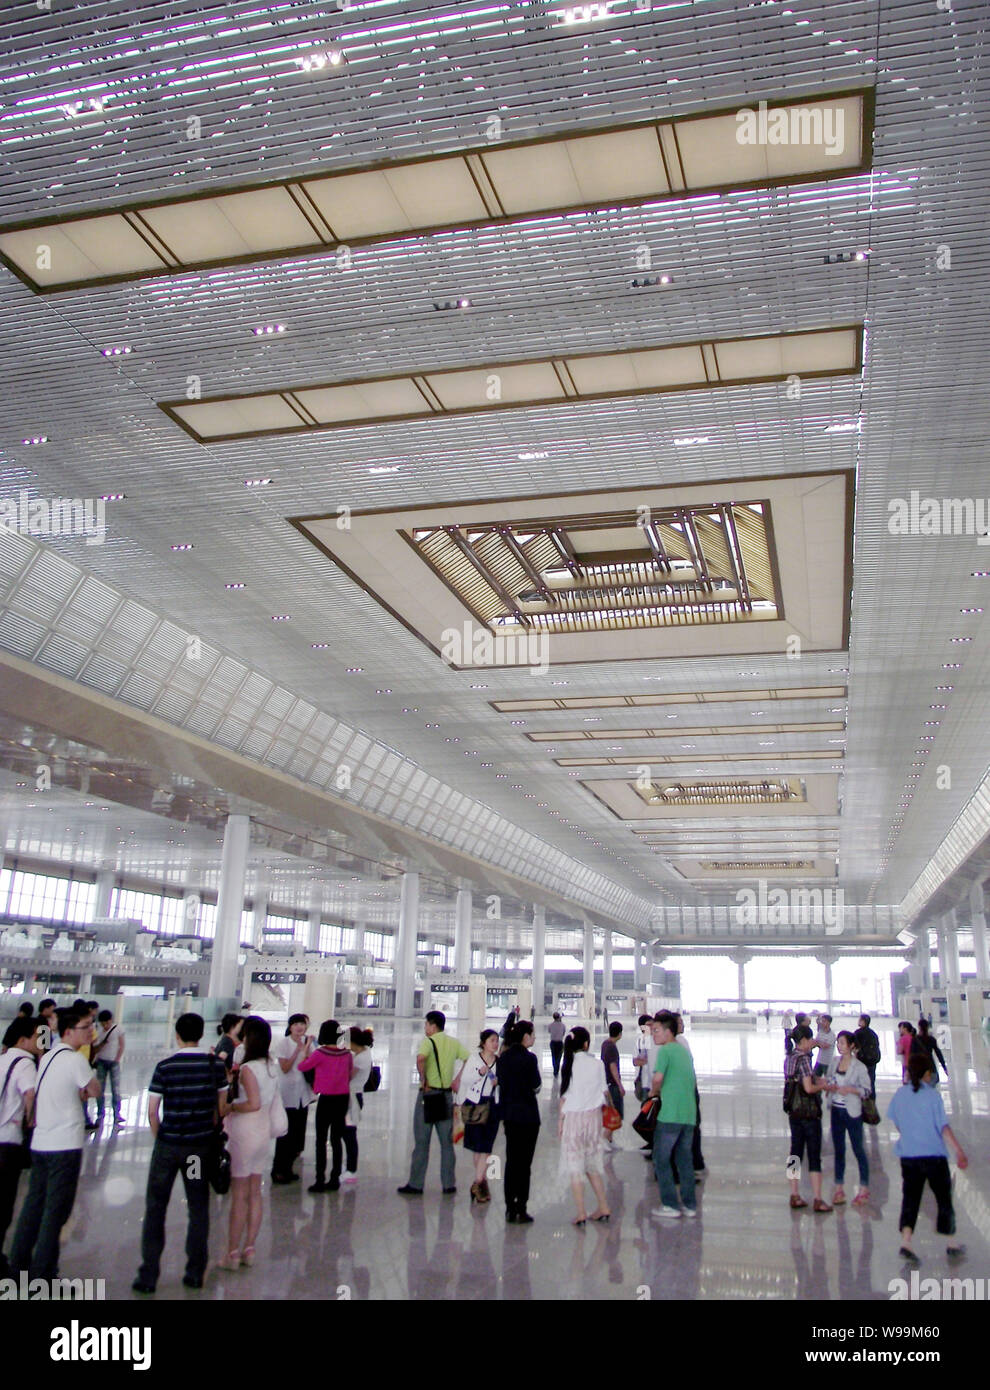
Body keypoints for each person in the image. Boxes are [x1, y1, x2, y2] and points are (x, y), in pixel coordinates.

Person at [131, 1011, 228, 1294]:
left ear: (177, 1035)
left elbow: (152, 1113)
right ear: (201, 1034)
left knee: (155, 1207)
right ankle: (195, 1272)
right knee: (198, 1207)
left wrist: (161, 1139)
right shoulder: (214, 1066)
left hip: (168, 1148)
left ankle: (148, 1275)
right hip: (197, 1151)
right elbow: (220, 1110)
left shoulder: (165, 1067)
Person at [9, 1007, 99, 1280]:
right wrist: (85, 1089)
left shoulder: (47, 1056)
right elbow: (94, 1090)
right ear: (68, 1031)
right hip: (64, 1145)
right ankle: (43, 1274)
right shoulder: (74, 1060)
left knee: (33, 1207)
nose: (91, 1032)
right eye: (85, 1027)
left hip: (41, 1143)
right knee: (55, 1212)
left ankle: (18, 1267)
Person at [886, 1053, 968, 1262]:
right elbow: (943, 1127)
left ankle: (906, 1242)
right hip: (933, 1156)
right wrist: (959, 1151)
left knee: (911, 1197)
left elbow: (897, 1123)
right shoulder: (933, 1096)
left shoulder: (900, 1095)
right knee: (943, 1198)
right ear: (927, 1074)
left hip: (909, 1155)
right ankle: (951, 1242)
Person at [219, 1016, 280, 1269]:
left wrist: (230, 1106)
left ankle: (232, 1252)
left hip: (244, 1132)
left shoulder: (248, 1069)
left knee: (240, 1196)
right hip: (263, 1132)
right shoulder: (271, 1065)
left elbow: (252, 1103)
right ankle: (250, 1248)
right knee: (256, 1192)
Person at [398, 1011, 468, 1196]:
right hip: (446, 1096)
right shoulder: (453, 1043)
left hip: (428, 1097)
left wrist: (424, 1078)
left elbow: (420, 1059)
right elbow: (468, 1058)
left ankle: (416, 1184)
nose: (425, 1028)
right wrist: (458, 1079)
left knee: (422, 1141)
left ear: (433, 1025)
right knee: (447, 1142)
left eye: (426, 1025)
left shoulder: (428, 1042)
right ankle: (448, 1184)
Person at [648, 1012, 698, 1218]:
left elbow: (658, 1078)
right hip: (689, 1115)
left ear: (668, 1032)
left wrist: (653, 1092)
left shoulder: (666, 1051)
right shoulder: (683, 1050)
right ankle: (689, 1205)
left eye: (656, 1031)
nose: (654, 1035)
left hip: (670, 1115)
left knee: (661, 1159)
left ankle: (670, 1204)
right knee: (684, 1160)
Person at [559, 1025, 610, 1226]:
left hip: (573, 1119)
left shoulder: (568, 1064)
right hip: (593, 1119)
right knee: (592, 1165)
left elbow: (564, 1096)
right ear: (586, 1044)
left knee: (575, 1167)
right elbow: (604, 1091)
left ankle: (581, 1212)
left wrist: (560, 1123)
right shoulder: (597, 1064)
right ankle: (603, 1206)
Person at [0, 1016, 39, 1273]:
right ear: (23, 1040)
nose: (41, 1042)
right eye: (38, 1037)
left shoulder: (2, 1059)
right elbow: (29, 1093)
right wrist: (32, 1121)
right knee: (3, 1205)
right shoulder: (25, 1063)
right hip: (8, 1142)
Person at [299, 1019, 353, 1193]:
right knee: (336, 1139)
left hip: (326, 1099)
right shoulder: (346, 1054)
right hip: (342, 1098)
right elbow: (349, 1074)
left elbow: (302, 1066)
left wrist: (305, 1050)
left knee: (321, 1140)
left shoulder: (320, 1053)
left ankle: (319, 1180)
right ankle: (335, 1178)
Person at [496, 1020, 541, 1224]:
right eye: (532, 1035)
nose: (533, 1038)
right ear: (525, 1037)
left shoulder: (503, 1059)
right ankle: (521, 1207)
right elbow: (537, 1085)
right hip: (529, 1116)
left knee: (512, 1161)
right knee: (525, 1164)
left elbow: (501, 1083)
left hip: (510, 1116)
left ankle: (509, 1208)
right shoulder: (530, 1059)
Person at [784, 1024, 832, 1212]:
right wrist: (823, 1086)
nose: (813, 1043)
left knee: (795, 1154)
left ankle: (794, 1194)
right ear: (803, 1041)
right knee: (813, 1156)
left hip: (793, 1113)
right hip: (808, 1114)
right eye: (811, 1040)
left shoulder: (789, 1058)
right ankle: (818, 1198)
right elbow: (808, 1088)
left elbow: (800, 1080)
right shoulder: (804, 1059)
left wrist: (816, 1080)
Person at [824, 1031, 871, 1206]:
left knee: (858, 1149)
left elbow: (867, 1090)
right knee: (839, 1150)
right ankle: (839, 1188)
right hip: (836, 1110)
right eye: (838, 1043)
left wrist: (851, 1090)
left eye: (842, 1043)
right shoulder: (834, 1062)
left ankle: (864, 1188)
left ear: (851, 1045)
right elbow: (829, 1079)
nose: (839, 1046)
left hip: (852, 1112)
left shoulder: (859, 1067)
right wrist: (830, 1087)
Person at [271, 1014, 314, 1184]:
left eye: (302, 1024)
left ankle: (288, 1169)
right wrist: (298, 1050)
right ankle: (278, 1170)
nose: (299, 1027)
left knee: (297, 1135)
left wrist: (308, 1048)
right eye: (296, 1024)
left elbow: (312, 1064)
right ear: (290, 1027)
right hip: (287, 1094)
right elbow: (285, 1068)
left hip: (302, 1094)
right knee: (285, 1135)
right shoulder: (283, 1043)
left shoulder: (309, 1042)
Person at [460, 1028, 500, 1203]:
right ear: (483, 1042)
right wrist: (479, 1073)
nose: (495, 1044)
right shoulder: (475, 1059)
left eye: (497, 1041)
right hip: (476, 1105)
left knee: (486, 1147)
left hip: (492, 1105)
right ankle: (481, 1183)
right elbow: (465, 1080)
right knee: (478, 1148)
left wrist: (498, 1083)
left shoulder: (499, 1062)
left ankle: (478, 1183)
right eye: (492, 1041)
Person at [675, 1013, 707, 1177]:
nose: (683, 1025)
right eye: (680, 1023)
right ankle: (693, 1162)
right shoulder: (679, 1043)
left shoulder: (677, 1043)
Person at [343, 1025, 374, 1184]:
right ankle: (348, 1167)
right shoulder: (364, 1053)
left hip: (352, 1099)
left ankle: (351, 1170)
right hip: (354, 1096)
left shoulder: (360, 1059)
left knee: (349, 1133)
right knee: (347, 1132)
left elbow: (347, 1077)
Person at [91, 1008, 125, 1127]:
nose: (105, 1025)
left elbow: (122, 1045)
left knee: (115, 1089)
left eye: (107, 1023)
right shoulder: (98, 1031)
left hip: (113, 1063)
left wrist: (117, 1059)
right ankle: (100, 1114)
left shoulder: (118, 1029)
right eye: (103, 1023)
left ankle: (117, 1114)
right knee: (100, 1089)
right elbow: (96, 1047)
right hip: (101, 1062)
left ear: (111, 1020)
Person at [600, 1021, 624, 1146]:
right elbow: (613, 1067)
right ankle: (605, 1138)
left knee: (611, 1112)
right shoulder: (612, 1047)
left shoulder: (605, 1044)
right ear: (620, 1033)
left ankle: (610, 1140)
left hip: (606, 1082)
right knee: (616, 1113)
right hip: (612, 1084)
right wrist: (620, 1085)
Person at [853, 1014, 881, 1097]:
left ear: (863, 1021)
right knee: (871, 1081)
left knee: (860, 1081)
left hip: (861, 1061)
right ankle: (871, 1100)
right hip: (872, 1062)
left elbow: (854, 1047)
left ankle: (863, 1099)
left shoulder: (858, 1033)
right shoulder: (873, 1034)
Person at [916, 1018, 948, 1083]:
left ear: (919, 1027)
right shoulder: (931, 1039)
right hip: (931, 1067)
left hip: (919, 1068)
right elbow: (939, 1054)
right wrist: (944, 1067)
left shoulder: (915, 1039)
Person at [214, 1013, 243, 1078]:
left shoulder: (225, 1039)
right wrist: (228, 1075)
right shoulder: (228, 1042)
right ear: (232, 1027)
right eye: (239, 1025)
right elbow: (220, 1059)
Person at [633, 1014, 652, 1102]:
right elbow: (635, 1061)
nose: (651, 1027)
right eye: (649, 1025)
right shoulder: (639, 1041)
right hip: (645, 1083)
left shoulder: (658, 1039)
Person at [548, 1013, 566, 1079]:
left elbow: (549, 1031)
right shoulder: (562, 1025)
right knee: (559, 1056)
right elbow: (563, 1033)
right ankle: (557, 1069)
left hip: (553, 1042)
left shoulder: (550, 1025)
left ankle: (555, 1069)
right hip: (560, 1043)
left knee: (553, 1056)